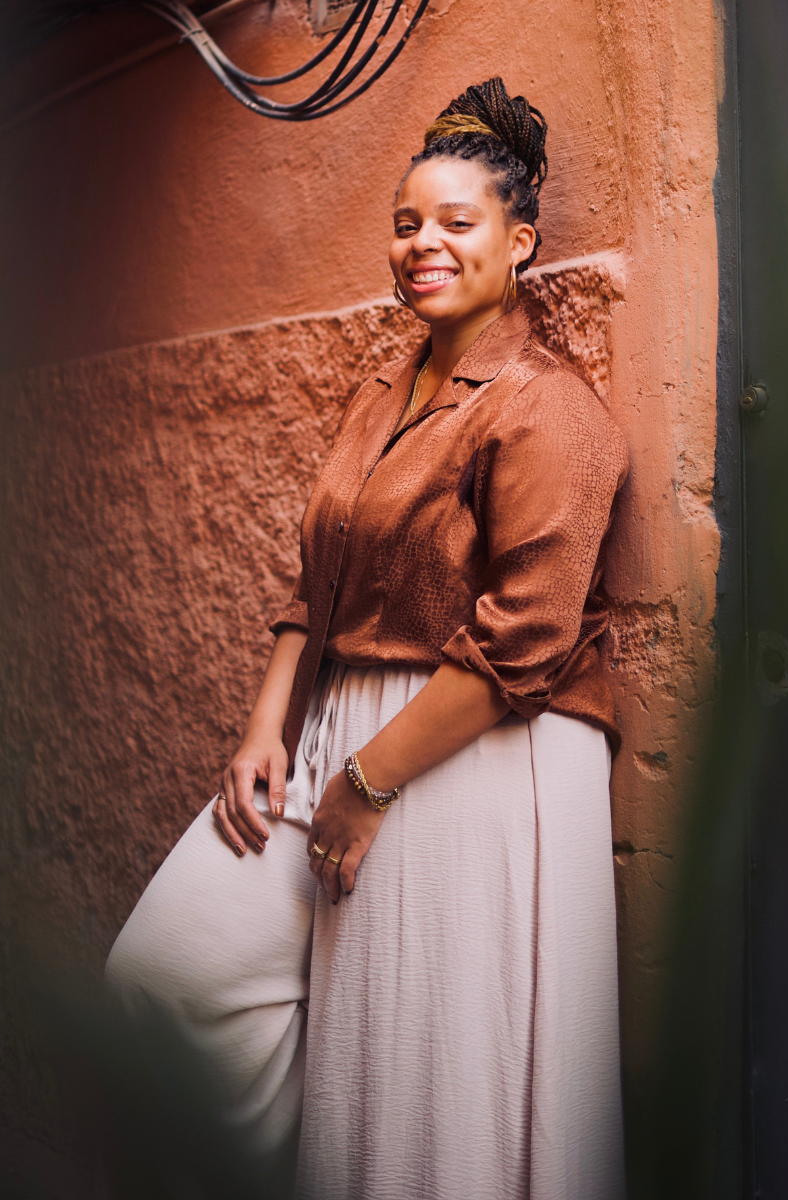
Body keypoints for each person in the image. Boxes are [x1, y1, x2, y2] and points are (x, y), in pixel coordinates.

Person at [105, 77, 629, 1200]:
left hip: (464, 747)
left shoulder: (548, 407)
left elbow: (526, 644)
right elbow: (318, 588)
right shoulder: (376, 395)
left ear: (520, 242)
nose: (422, 244)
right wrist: (266, 734)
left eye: (456, 222)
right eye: (405, 223)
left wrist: (365, 785)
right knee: (161, 976)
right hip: (333, 730)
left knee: (426, 1094)